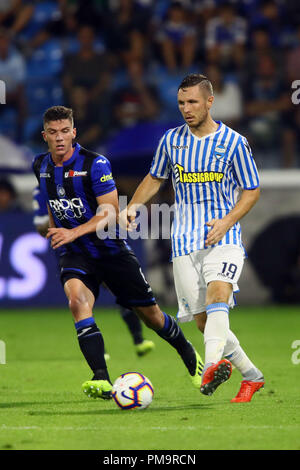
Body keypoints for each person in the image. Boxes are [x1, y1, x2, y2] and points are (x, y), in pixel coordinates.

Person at [32, 105, 203, 400]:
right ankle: (101, 378)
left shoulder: (95, 164)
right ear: (44, 135)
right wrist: (54, 228)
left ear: (74, 133)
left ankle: (188, 352)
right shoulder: (40, 166)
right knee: (77, 302)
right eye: (53, 133)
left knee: (152, 317)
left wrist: (72, 231)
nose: (59, 138)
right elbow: (51, 201)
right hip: (74, 253)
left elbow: (110, 211)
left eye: (64, 132)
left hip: (110, 250)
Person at [123, 73, 264, 403]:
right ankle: (252, 376)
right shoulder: (171, 141)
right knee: (204, 323)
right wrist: (132, 206)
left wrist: (228, 221)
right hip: (183, 242)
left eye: (193, 102)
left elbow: (252, 190)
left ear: (209, 102)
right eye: (181, 103)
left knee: (219, 295)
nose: (186, 109)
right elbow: (155, 177)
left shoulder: (234, 143)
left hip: (222, 238)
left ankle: (211, 367)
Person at [32, 184, 156, 357]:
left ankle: (138, 339)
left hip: (100, 246)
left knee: (123, 290)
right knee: (81, 300)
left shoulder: (85, 173)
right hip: (73, 252)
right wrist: (66, 219)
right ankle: (100, 351)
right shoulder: (43, 186)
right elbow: (40, 227)